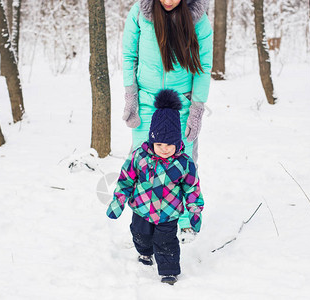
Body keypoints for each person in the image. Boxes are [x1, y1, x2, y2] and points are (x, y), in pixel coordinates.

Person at [121, 0, 212, 236]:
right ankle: (144, 224)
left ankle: (183, 222)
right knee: (142, 162)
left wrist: (197, 109)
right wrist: (131, 95)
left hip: (181, 103)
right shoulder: (140, 12)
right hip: (147, 103)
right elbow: (129, 55)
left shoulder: (198, 18)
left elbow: (203, 66)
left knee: (182, 162)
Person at [107, 89, 204, 285]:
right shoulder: (139, 157)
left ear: (178, 142)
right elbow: (126, 180)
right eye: (159, 144)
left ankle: (168, 271)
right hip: (141, 210)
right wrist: (118, 201)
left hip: (168, 214)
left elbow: (192, 189)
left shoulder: (184, 163)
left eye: (170, 144)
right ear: (152, 140)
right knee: (140, 235)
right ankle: (144, 253)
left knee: (166, 242)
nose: (164, 149)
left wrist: (194, 211)